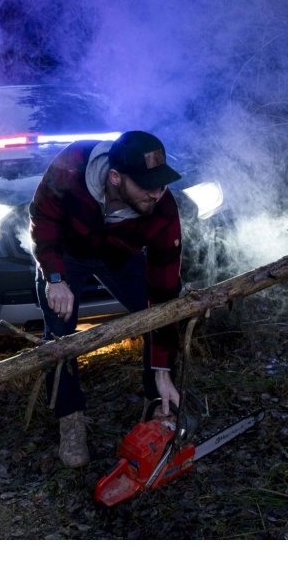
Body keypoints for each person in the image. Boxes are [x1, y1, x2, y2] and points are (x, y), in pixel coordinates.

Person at [29, 130, 184, 468]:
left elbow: (164, 293)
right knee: (59, 334)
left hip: (118, 255)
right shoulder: (72, 165)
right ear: (115, 177)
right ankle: (70, 418)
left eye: (160, 184)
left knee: (161, 313)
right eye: (146, 185)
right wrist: (54, 278)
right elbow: (44, 218)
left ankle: (159, 402)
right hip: (67, 254)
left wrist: (162, 369)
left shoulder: (162, 207)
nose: (156, 193)